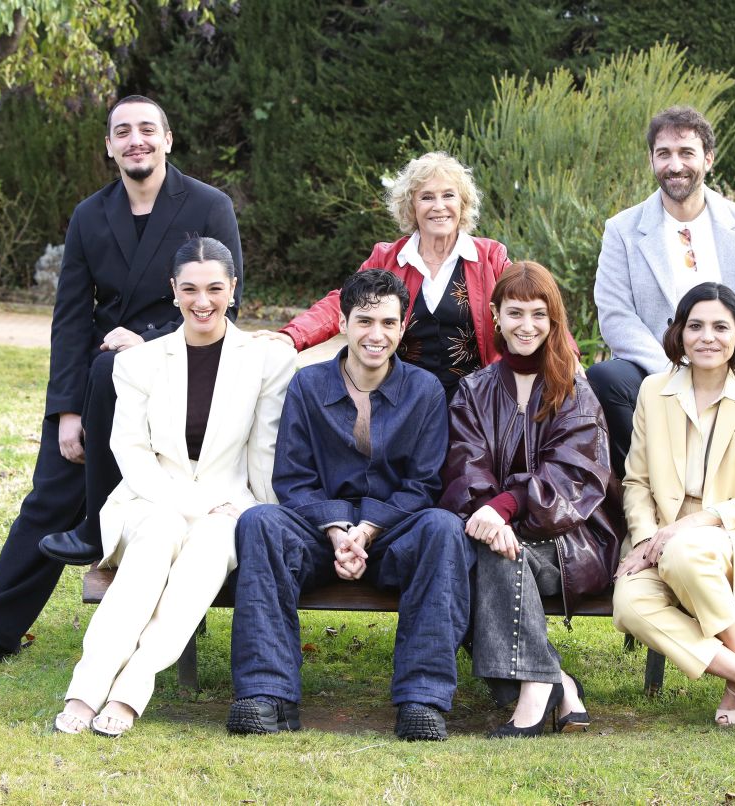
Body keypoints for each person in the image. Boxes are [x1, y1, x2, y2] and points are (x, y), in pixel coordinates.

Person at [0, 96, 244, 675]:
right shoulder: (89, 214)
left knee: (123, 394)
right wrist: (66, 411)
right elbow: (69, 318)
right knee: (49, 497)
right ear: (110, 146)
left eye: (147, 129)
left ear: (168, 139)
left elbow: (225, 306)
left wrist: (150, 340)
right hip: (95, 383)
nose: (136, 140)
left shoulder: (210, 206)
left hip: (181, 378)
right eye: (122, 131)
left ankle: (99, 536)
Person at [586, 106, 735, 694]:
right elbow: (615, 314)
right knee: (607, 377)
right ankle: (657, 517)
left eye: (687, 152)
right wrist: (679, 371)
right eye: (664, 153)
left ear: (708, 158)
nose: (675, 164)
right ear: (651, 160)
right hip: (662, 379)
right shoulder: (624, 230)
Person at [53, 237, 293, 736]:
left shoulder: (266, 361)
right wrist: (187, 504)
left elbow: (264, 453)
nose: (202, 301)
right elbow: (131, 452)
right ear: (174, 290)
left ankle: (131, 688)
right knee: (158, 536)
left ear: (233, 289)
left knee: (207, 550)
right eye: (190, 289)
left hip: (228, 504)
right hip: (149, 498)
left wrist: (254, 510)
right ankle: (86, 687)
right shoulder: (138, 362)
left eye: (214, 289)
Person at [227, 269, 474, 741]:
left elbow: (423, 484)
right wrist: (339, 529)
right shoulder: (308, 386)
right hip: (320, 537)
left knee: (443, 527)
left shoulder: (424, 391)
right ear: (342, 323)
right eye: (364, 321)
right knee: (260, 521)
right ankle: (266, 693)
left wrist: (368, 529)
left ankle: (422, 699)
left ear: (402, 327)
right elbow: (294, 479)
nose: (375, 335)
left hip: (393, 537)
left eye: (387, 323)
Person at [612, 282, 735, 729]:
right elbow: (637, 481)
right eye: (695, 326)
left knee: (683, 551)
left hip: (730, 535)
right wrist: (645, 541)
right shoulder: (653, 390)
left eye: (721, 327)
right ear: (679, 332)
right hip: (660, 534)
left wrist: (691, 526)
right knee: (629, 604)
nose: (707, 337)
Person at [440, 261, 623, 738]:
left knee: (497, 554)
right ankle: (554, 681)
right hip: (496, 533)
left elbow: (573, 476)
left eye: (539, 314)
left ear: (553, 319)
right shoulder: (474, 391)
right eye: (515, 313)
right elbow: (464, 468)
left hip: (574, 540)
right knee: (476, 555)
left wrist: (504, 509)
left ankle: (535, 692)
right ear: (495, 316)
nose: (527, 326)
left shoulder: (574, 391)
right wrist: (491, 516)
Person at [256, 151, 509, 398]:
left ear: (462, 203)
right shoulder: (387, 259)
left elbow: (525, 305)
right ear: (411, 206)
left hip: (476, 403)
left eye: (448, 195)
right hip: (403, 402)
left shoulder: (491, 257)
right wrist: (292, 336)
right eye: (427, 197)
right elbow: (341, 303)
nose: (439, 206)